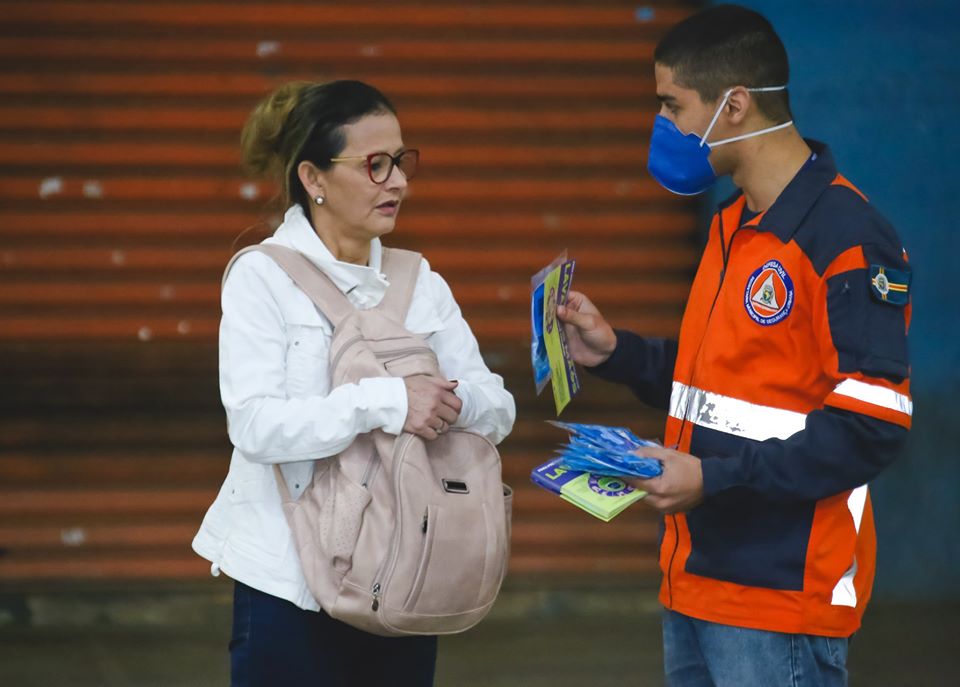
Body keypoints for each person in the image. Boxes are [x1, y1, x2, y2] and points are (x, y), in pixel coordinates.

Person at [557, 5, 912, 685]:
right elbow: (721, 386)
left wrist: (711, 478)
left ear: (736, 105)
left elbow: (872, 429)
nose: (663, 126)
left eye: (672, 104)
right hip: (694, 577)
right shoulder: (732, 225)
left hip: (779, 597)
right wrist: (617, 353)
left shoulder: (848, 240)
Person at [192, 79, 516, 686]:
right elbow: (256, 427)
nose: (397, 181)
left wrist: (449, 400)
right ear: (313, 179)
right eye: (375, 165)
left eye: (401, 161)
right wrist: (390, 401)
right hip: (286, 583)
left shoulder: (421, 283)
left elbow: (497, 406)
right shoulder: (262, 278)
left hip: (404, 576)